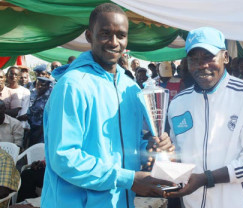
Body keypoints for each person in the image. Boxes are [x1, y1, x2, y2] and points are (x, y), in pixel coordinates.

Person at [41, 3, 174, 208]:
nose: (114, 42)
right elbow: (64, 157)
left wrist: (149, 148)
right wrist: (127, 179)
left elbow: (127, 149)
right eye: (105, 33)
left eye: (121, 35)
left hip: (120, 202)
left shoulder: (131, 89)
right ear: (89, 35)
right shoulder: (73, 85)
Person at [166, 27, 243, 208]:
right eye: (194, 59)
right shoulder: (178, 103)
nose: (201, 65)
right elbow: (177, 155)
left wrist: (206, 178)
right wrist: (163, 156)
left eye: (208, 56)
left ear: (225, 57)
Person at [18, 77, 52, 147]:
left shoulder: (49, 98)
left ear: (48, 86)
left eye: (42, 85)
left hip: (42, 130)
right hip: (32, 128)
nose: (39, 87)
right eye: (37, 84)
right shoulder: (34, 94)